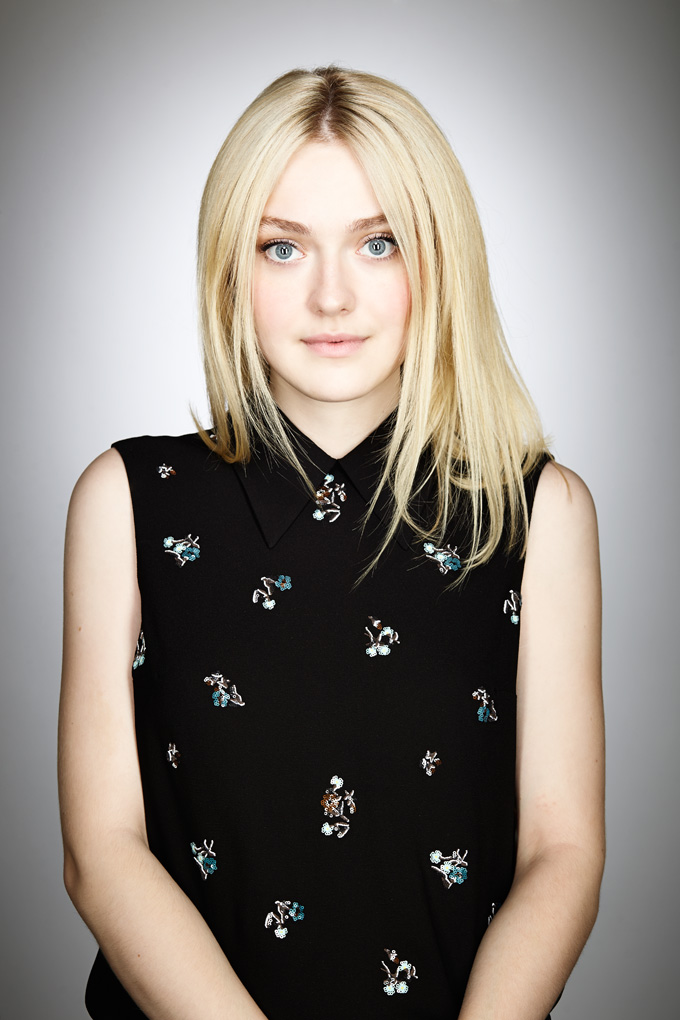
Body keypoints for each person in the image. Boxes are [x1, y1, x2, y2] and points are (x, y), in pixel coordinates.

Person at [58, 65, 605, 1020]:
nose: (331, 297)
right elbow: (101, 853)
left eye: (378, 243)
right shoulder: (127, 500)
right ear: (231, 268)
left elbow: (563, 854)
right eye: (283, 248)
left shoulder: (538, 512)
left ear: (438, 258)